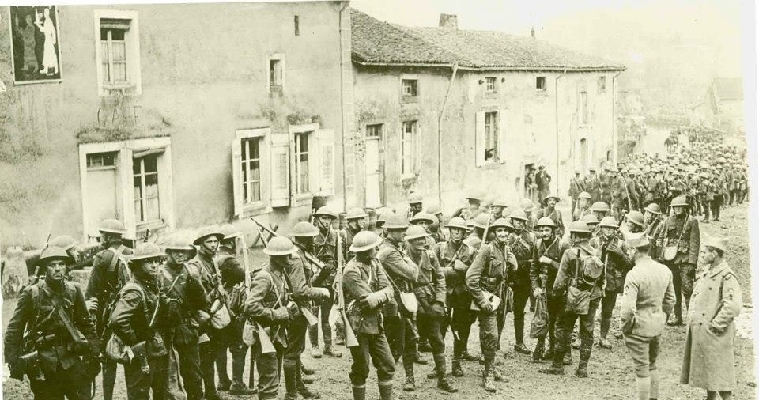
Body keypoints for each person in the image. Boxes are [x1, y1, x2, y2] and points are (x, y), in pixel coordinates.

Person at [5, 246, 101, 400]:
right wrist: (13, 362)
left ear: (66, 267)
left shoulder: (74, 290)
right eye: (52, 265)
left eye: (61, 264)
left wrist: (94, 355)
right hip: (44, 364)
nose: (57, 269)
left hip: (72, 360)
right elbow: (14, 329)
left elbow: (86, 324)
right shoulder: (32, 293)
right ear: (45, 268)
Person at [681, 236, 742, 400]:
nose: (701, 255)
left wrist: (716, 325)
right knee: (709, 376)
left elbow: (733, 305)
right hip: (706, 333)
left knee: (721, 379)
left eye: (704, 252)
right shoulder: (708, 271)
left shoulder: (727, 276)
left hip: (716, 335)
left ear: (715, 253)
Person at [541, 221, 604, 378]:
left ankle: (557, 365)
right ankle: (582, 368)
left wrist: (556, 294)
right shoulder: (596, 253)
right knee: (587, 331)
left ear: (575, 236)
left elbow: (560, 281)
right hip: (592, 296)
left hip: (573, 296)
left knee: (563, 328)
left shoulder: (569, 253)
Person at [109, 243, 171, 400]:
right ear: (137, 264)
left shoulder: (151, 285)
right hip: (141, 353)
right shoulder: (134, 289)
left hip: (156, 349)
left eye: (156, 261)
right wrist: (134, 340)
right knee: (139, 395)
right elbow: (117, 320)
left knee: (161, 393)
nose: (154, 265)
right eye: (148, 261)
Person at [620, 232, 675, 400]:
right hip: (656, 325)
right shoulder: (664, 270)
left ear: (634, 250)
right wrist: (662, 317)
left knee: (642, 370)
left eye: (629, 250)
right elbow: (671, 300)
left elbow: (628, 309)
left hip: (639, 328)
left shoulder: (634, 274)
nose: (628, 253)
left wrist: (626, 327)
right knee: (652, 365)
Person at [342, 231, 396, 400]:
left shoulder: (375, 264)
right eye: (374, 248)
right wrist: (383, 295)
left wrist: (379, 296)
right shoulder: (350, 272)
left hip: (376, 323)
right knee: (361, 367)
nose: (377, 250)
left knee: (387, 364)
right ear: (366, 252)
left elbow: (389, 288)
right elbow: (367, 300)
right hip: (358, 326)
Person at [466, 218, 517, 392]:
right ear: (494, 233)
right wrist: (482, 300)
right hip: (488, 298)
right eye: (499, 230)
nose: (503, 233)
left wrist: (514, 264)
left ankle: (492, 368)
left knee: (498, 334)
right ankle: (487, 375)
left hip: (501, 298)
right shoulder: (486, 250)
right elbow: (471, 277)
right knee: (491, 335)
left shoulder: (507, 250)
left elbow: (509, 274)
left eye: (506, 230)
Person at [85, 218, 133, 400]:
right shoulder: (131, 253)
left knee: (108, 359)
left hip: (108, 314)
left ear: (107, 237)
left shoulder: (102, 257)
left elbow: (92, 290)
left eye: (102, 235)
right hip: (130, 311)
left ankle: (108, 397)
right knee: (131, 356)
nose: (100, 239)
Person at [284, 222, 332, 400]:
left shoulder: (300, 254)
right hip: (297, 308)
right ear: (307, 239)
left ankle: (299, 387)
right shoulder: (297, 258)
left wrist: (322, 276)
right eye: (312, 238)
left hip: (299, 307)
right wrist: (321, 291)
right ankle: (291, 393)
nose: (314, 241)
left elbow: (306, 283)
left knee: (296, 349)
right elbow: (299, 290)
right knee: (292, 351)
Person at [245, 237, 297, 400]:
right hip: (264, 334)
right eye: (288, 256)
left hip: (276, 334)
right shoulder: (264, 277)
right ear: (277, 258)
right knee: (269, 381)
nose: (291, 259)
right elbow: (250, 307)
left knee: (274, 378)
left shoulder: (281, 274)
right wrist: (277, 314)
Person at [159, 233, 207, 400]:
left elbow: (201, 301)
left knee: (193, 374)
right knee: (166, 377)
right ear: (169, 252)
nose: (180, 254)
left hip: (187, 329)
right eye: (176, 251)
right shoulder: (159, 274)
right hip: (165, 331)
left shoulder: (191, 271)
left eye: (184, 251)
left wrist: (196, 285)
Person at [378, 215, 423, 389]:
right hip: (393, 303)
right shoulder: (389, 252)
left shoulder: (395, 248)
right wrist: (410, 261)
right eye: (400, 230)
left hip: (401, 300)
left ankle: (408, 378)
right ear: (390, 231)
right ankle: (385, 384)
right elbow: (412, 274)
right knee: (395, 344)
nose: (405, 232)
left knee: (409, 339)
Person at [186, 227, 227, 400]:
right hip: (200, 316)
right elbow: (194, 294)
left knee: (211, 354)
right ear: (200, 245)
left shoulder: (213, 262)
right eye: (209, 242)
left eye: (215, 241)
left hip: (212, 314)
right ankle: (201, 393)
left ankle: (211, 391)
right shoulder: (195, 265)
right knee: (201, 357)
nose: (213, 245)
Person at [436, 217, 477, 376]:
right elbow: (433, 270)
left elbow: (475, 272)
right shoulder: (440, 248)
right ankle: (438, 364)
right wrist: (452, 269)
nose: (457, 232)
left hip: (462, 294)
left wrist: (465, 268)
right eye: (454, 229)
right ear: (449, 230)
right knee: (440, 329)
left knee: (461, 328)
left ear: (465, 232)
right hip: (443, 293)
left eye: (460, 230)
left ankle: (457, 362)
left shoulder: (470, 250)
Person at [653, 196, 700, 326]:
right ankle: (677, 317)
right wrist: (661, 249)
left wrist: (692, 263)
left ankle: (691, 318)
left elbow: (695, 243)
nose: (678, 209)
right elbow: (660, 236)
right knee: (674, 289)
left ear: (685, 208)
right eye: (675, 207)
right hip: (671, 260)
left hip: (685, 260)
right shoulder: (668, 220)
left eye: (680, 207)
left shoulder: (692, 221)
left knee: (688, 289)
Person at [530, 217, 570, 362]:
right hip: (544, 289)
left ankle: (566, 353)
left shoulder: (562, 246)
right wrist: (535, 287)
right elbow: (534, 268)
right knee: (547, 320)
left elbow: (567, 270)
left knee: (561, 322)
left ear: (553, 231)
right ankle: (551, 350)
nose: (544, 233)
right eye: (541, 230)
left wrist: (550, 262)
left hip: (559, 289)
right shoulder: (537, 244)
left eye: (547, 230)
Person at [592, 217, 632, 348]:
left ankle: (603, 337)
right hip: (594, 281)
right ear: (601, 228)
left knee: (607, 311)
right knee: (588, 309)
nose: (608, 230)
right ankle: (584, 336)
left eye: (611, 228)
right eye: (606, 227)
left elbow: (629, 264)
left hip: (611, 282)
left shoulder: (621, 244)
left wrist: (620, 254)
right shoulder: (594, 241)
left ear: (615, 230)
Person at [310, 206, 345, 358]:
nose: (326, 221)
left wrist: (338, 276)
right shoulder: (311, 235)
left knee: (326, 316)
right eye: (324, 218)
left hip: (329, 280)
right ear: (317, 219)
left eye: (329, 218)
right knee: (313, 314)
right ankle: (314, 346)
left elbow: (339, 259)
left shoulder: (336, 236)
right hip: (315, 279)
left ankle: (328, 346)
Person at [507, 209, 536, 355]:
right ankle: (495, 344)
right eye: (516, 220)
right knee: (500, 312)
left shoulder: (530, 237)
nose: (518, 223)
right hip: (508, 277)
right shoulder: (506, 236)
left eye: (521, 221)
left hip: (524, 278)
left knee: (519, 311)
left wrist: (526, 263)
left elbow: (534, 257)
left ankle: (519, 342)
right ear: (512, 221)